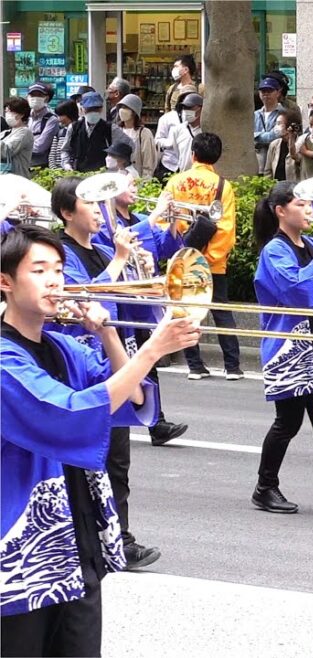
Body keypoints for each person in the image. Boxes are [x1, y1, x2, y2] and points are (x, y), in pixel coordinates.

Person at [0, 224, 198, 657]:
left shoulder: (66, 347)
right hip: (21, 547)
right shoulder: (3, 357)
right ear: (6, 282)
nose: (55, 280)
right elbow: (66, 412)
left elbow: (132, 396)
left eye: (58, 268)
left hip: (76, 534)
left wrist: (109, 334)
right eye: (39, 270)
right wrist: (152, 351)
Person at [51, 177, 170, 573]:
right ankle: (94, 537)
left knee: (118, 458)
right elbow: (74, 303)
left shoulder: (103, 249)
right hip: (78, 365)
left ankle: (119, 537)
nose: (98, 210)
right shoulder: (60, 255)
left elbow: (131, 312)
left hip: (114, 358)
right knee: (88, 457)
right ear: (68, 212)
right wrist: (120, 263)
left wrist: (149, 284)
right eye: (89, 203)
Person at [250, 181, 313, 514]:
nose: (309, 210)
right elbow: (298, 293)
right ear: (280, 211)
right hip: (290, 349)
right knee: (289, 423)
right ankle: (265, 487)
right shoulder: (274, 250)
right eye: (302, 205)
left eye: (310, 205)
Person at [95, 174, 189, 447]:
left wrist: (172, 222)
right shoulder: (107, 221)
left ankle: (156, 421)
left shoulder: (135, 216)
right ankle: (151, 420)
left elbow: (163, 247)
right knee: (134, 361)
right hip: (121, 304)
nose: (135, 190)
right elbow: (116, 245)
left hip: (140, 301)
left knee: (148, 359)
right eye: (130, 186)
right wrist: (155, 215)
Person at [162, 132, 243, 381]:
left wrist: (186, 253)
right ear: (216, 156)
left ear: (193, 154)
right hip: (214, 262)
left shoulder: (176, 181)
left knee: (185, 311)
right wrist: (210, 256)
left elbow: (165, 221)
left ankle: (195, 366)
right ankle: (232, 367)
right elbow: (226, 228)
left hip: (182, 257)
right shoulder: (222, 186)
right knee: (220, 310)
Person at [113, 94, 157, 177]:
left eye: (126, 108)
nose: (122, 110)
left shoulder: (144, 133)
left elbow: (148, 162)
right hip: (119, 178)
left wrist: (144, 183)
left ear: (134, 112)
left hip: (137, 179)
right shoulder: (117, 131)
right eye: (121, 107)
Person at [254, 75, 285, 174]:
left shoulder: (284, 114)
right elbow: (246, 135)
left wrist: (256, 136)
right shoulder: (255, 114)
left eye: (269, 91)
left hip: (275, 163)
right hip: (257, 163)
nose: (266, 94)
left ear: (278, 93)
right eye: (263, 91)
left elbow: (274, 136)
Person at [26, 83, 58, 169]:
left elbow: (40, 147)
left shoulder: (51, 119)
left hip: (40, 166)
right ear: (27, 97)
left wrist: (19, 146)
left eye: (39, 95)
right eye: (32, 95)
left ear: (46, 98)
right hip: (22, 164)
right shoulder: (24, 116)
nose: (35, 98)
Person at [266, 109, 302, 182]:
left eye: (279, 123)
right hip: (277, 188)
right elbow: (268, 171)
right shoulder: (274, 145)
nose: (276, 126)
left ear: (289, 126)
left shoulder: (301, 144)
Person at [2, 98, 34, 178]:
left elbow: (7, 151)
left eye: (11, 111)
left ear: (22, 114)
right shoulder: (6, 133)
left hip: (17, 180)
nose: (7, 114)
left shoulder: (25, 132)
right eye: (6, 112)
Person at [172, 93, 204, 173]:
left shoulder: (206, 130)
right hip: (184, 175)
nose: (186, 111)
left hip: (202, 176)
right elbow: (177, 153)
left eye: (190, 108)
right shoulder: (178, 130)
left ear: (201, 109)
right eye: (184, 108)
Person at [49, 100, 77, 170]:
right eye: (57, 115)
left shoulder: (79, 131)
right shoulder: (60, 133)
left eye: (61, 115)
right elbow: (52, 156)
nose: (59, 119)